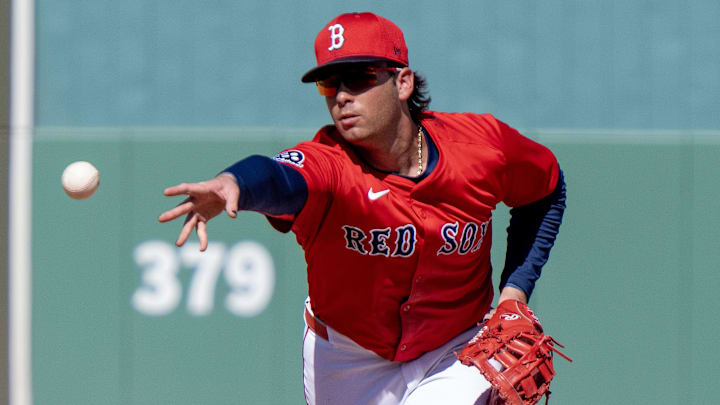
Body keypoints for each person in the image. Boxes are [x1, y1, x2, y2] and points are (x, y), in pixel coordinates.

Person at [159, 11, 566, 405]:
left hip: (456, 345)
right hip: (347, 358)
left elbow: (545, 190)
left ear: (402, 82)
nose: (341, 96)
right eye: (328, 84)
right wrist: (235, 183)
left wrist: (514, 294)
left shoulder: (482, 148)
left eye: (357, 78)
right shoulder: (329, 165)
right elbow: (279, 177)